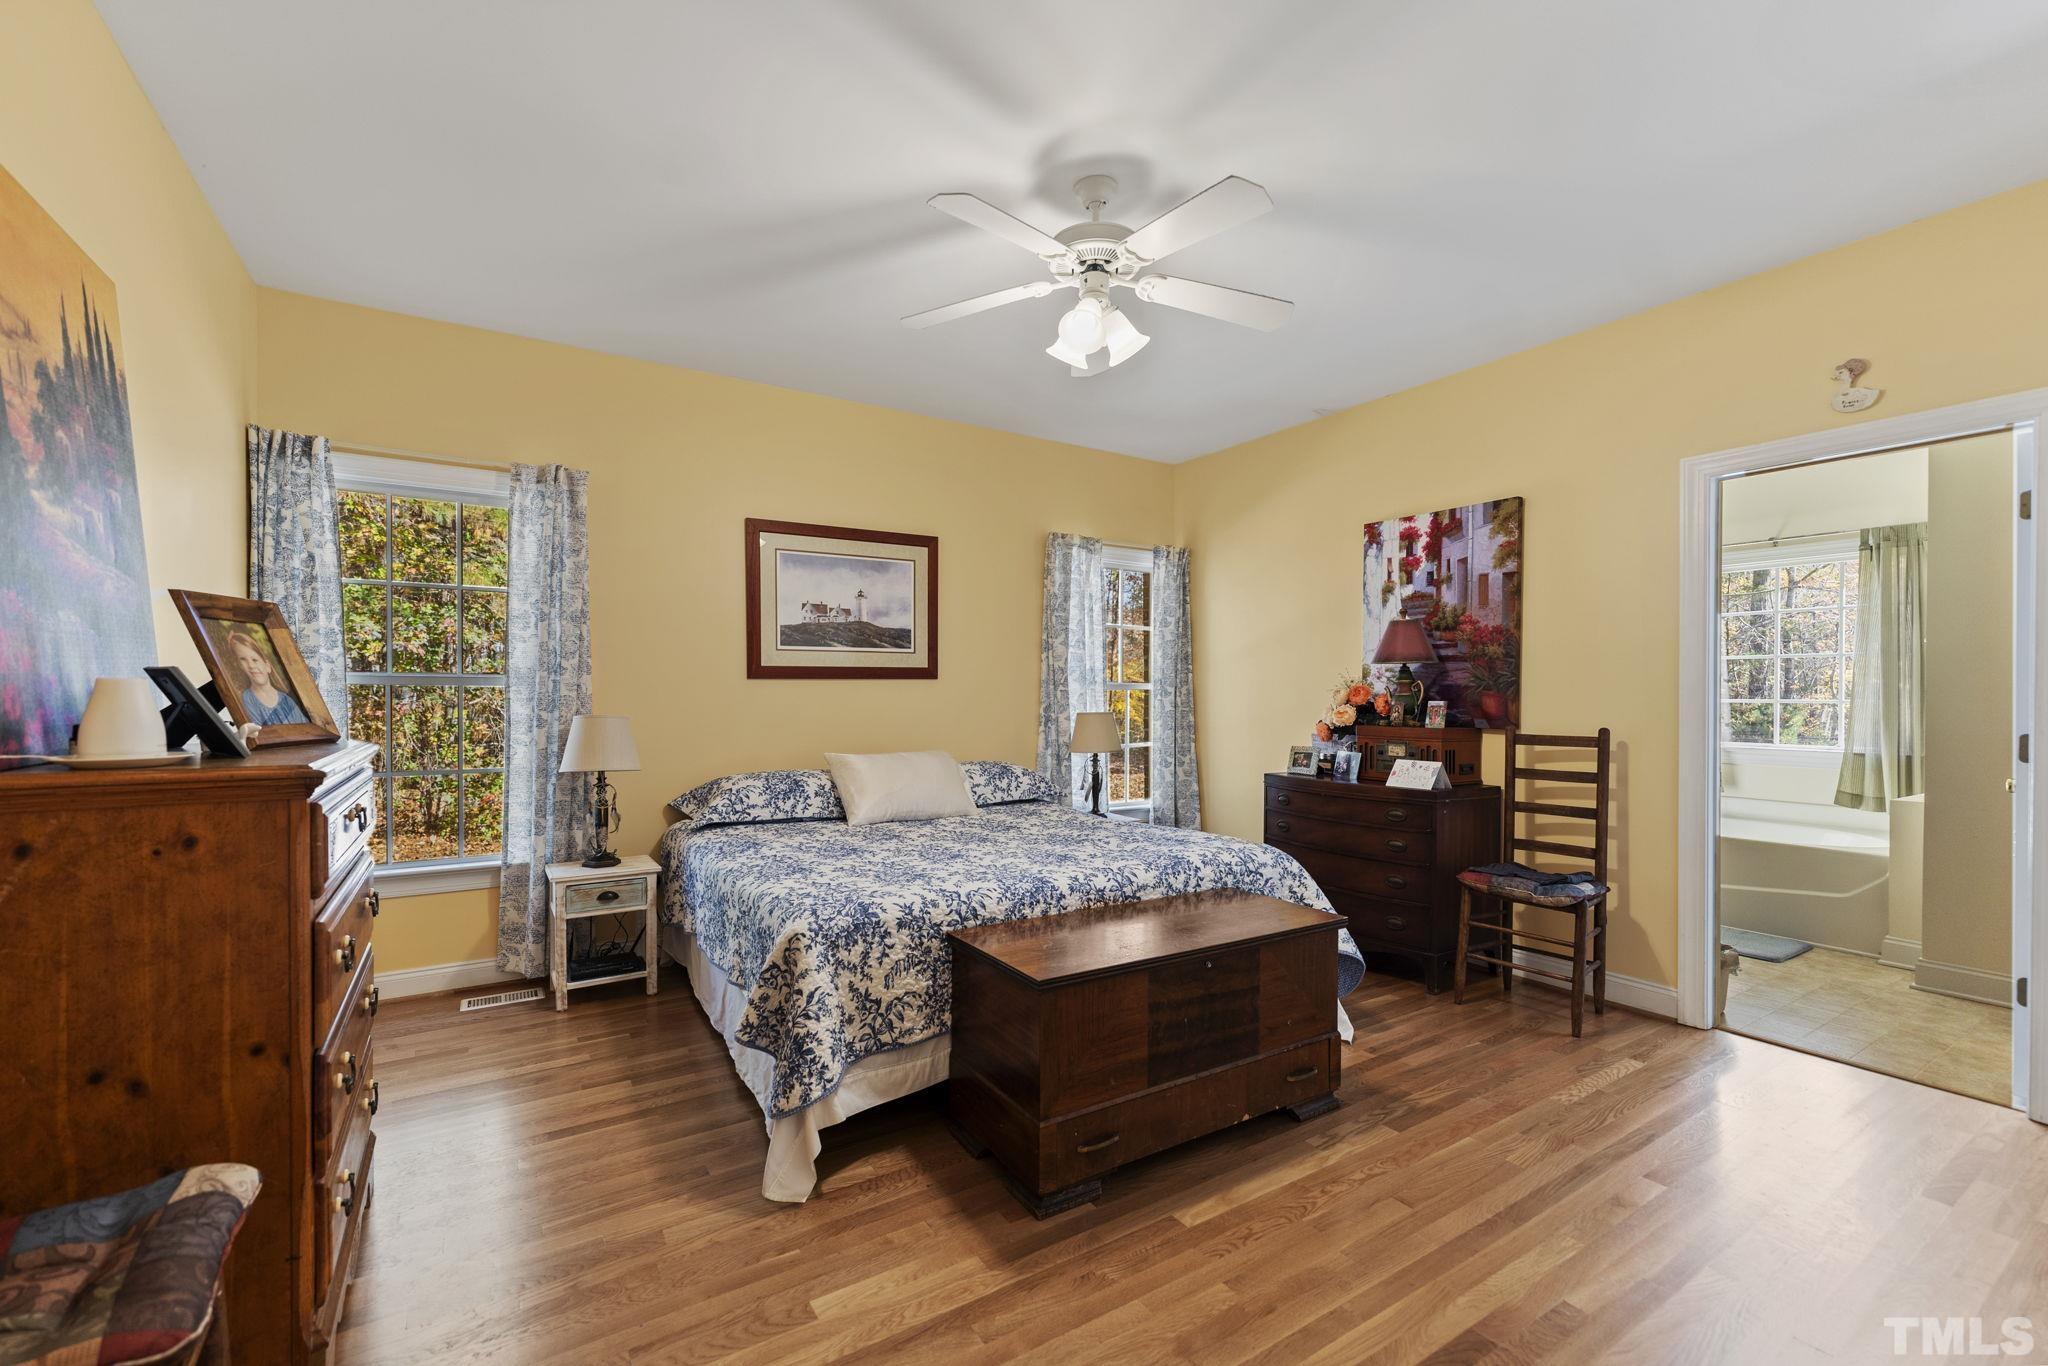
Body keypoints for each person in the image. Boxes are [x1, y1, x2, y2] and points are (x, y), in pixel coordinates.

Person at [223, 625, 310, 727]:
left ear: (267, 666)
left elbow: (305, 727)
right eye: (243, 660)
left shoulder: (286, 700)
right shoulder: (247, 699)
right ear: (240, 667)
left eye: (255, 660)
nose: (251, 665)